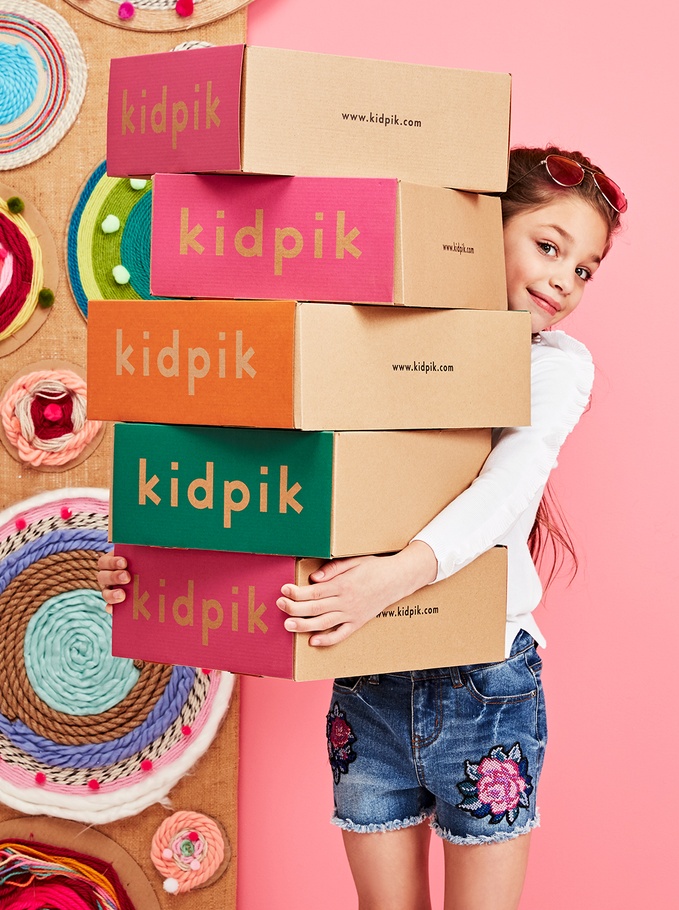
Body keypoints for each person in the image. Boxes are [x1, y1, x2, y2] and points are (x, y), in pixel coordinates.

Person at [97, 145, 626, 910]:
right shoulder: (374, 334)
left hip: (485, 679)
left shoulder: (555, 365)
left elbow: (509, 485)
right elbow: (270, 462)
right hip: (368, 673)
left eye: (585, 269)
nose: (564, 282)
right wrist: (156, 560)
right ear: (481, 230)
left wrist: (393, 574)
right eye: (549, 246)